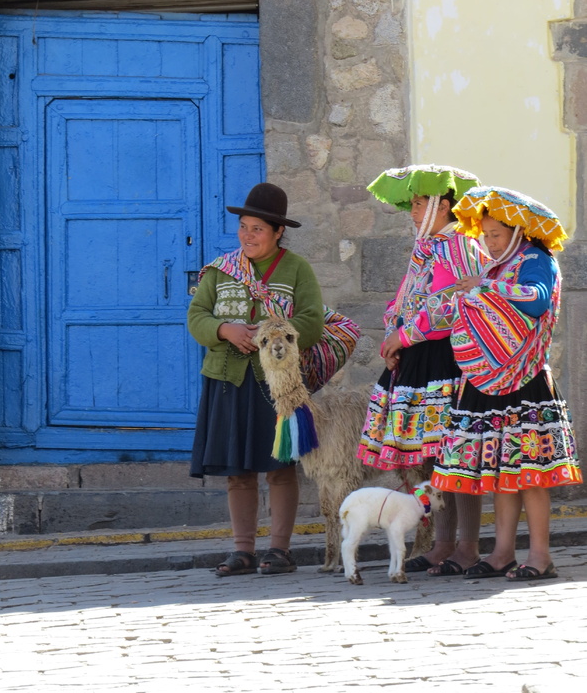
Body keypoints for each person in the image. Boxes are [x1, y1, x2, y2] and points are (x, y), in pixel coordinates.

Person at [432, 186, 582, 580]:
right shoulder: (496, 267)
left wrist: (486, 287)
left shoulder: (537, 260)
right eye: (485, 235)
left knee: (531, 473)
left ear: (517, 232)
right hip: (489, 381)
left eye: (496, 235)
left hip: (526, 383)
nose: (489, 243)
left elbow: (536, 300)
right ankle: (501, 553)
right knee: (504, 470)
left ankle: (540, 555)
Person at [357, 164, 490, 576]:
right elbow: (407, 296)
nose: (413, 212)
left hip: (448, 359)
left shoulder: (461, 245)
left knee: (457, 453)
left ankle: (467, 547)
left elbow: (459, 303)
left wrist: (407, 335)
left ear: (443, 205)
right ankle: (442, 544)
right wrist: (392, 336)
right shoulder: (426, 247)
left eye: (419, 204)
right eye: (412, 204)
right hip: (418, 356)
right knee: (433, 457)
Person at [189, 183, 324, 576]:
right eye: (243, 227)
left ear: (278, 232)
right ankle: (242, 549)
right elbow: (197, 316)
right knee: (238, 470)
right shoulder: (220, 270)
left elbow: (312, 321)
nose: (247, 236)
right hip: (228, 380)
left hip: (277, 385)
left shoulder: (296, 270)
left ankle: (279, 550)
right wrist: (225, 330)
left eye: (257, 229)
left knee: (280, 465)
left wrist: (269, 335)